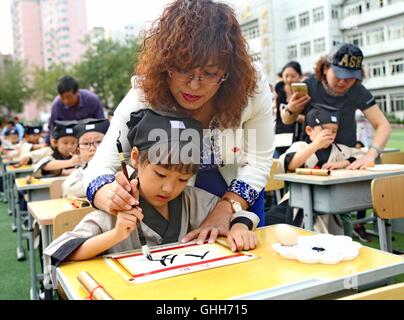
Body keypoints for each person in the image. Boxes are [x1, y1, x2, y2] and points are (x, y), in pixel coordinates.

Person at [83, 0, 274, 244]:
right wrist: (107, 193)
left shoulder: (251, 86)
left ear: (228, 70)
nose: (194, 85)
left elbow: (258, 161)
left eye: (210, 73)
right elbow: (100, 166)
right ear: (165, 63)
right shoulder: (145, 94)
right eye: (184, 70)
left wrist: (227, 208)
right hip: (176, 203)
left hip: (237, 196)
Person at [44, 109, 259, 269]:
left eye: (183, 179)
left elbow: (239, 215)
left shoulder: (191, 200)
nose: (169, 188)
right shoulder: (118, 204)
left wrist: (239, 228)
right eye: (161, 174)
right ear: (135, 158)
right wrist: (116, 234)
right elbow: (62, 250)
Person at [280, 43, 391, 169]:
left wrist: (371, 154)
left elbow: (383, 125)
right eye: (339, 74)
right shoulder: (310, 85)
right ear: (326, 68)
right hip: (309, 158)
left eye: (350, 77)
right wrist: (291, 110)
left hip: (344, 158)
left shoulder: (357, 90)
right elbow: (286, 119)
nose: (343, 81)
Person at [267, 104, 364, 234]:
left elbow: (363, 158)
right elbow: (289, 165)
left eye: (334, 131)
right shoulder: (301, 146)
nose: (330, 134)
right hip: (297, 202)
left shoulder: (341, 150)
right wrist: (315, 145)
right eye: (324, 130)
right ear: (309, 131)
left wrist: (344, 163)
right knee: (267, 224)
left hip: (331, 205)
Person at [46, 75, 105, 144]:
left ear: (77, 92)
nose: (66, 101)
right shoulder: (57, 104)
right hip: (68, 142)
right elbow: (51, 128)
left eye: (69, 97)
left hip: (90, 140)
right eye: (62, 97)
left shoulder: (92, 100)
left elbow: (102, 125)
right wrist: (47, 143)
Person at [62, 118, 110, 197]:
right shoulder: (80, 171)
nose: (92, 148)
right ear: (78, 150)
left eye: (98, 142)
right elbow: (68, 190)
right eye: (86, 143)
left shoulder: (117, 167)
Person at [273, 61, 305, 158]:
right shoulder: (279, 89)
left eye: (293, 76)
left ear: (300, 76)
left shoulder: (304, 93)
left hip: (296, 134)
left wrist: (295, 117)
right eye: (286, 76)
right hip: (280, 133)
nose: (289, 79)